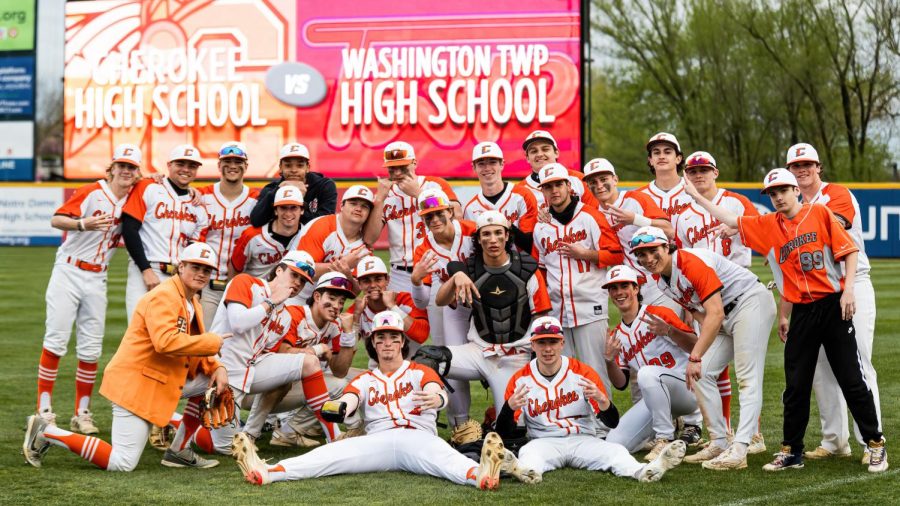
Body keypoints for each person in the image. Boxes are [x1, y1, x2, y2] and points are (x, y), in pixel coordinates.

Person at [685, 168, 888, 473]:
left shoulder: (819, 213)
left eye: (783, 190)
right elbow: (729, 219)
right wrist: (697, 196)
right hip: (803, 311)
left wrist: (848, 292)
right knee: (796, 385)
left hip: (832, 306)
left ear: (796, 190)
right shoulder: (769, 225)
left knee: (851, 378)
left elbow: (850, 250)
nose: (778, 197)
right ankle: (792, 451)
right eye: (773, 193)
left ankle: (875, 444)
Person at [230, 310, 525, 490]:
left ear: (401, 341)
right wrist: (341, 409)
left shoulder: (418, 370)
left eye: (393, 337)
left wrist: (436, 400)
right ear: (373, 343)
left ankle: (482, 474)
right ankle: (268, 472)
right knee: (329, 457)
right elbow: (349, 399)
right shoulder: (365, 379)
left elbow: (437, 393)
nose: (387, 343)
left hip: (418, 438)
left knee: (446, 461)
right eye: (381, 337)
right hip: (378, 441)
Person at [24, 243, 230, 471]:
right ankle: (47, 432)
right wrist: (212, 342)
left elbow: (192, 350)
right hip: (135, 385)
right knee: (122, 462)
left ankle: (179, 450)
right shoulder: (164, 296)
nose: (201, 274)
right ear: (180, 267)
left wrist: (217, 367)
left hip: (158, 380)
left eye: (206, 270)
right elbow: (165, 342)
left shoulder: (191, 301)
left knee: (214, 384)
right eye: (195, 267)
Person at [630, 225, 776, 471]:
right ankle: (719, 441)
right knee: (702, 373)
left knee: (747, 378)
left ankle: (740, 448)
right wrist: (704, 350)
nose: (647, 258)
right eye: (641, 254)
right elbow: (700, 313)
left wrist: (696, 354)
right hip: (725, 315)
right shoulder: (662, 280)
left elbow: (715, 311)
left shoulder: (689, 262)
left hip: (749, 302)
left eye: (652, 250)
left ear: (666, 246)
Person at [496, 316, 686, 482]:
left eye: (553, 342)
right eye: (542, 342)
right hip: (544, 441)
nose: (548, 349)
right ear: (533, 345)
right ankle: (527, 473)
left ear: (562, 343)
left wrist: (604, 403)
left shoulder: (583, 373)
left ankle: (644, 471)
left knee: (616, 451)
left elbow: (612, 422)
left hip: (583, 440)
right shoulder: (520, 379)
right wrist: (509, 408)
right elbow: (504, 432)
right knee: (528, 454)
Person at [33, 144, 141, 435]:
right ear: (112, 168)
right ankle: (43, 410)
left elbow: (157, 181)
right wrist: (82, 223)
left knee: (91, 348)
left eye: (131, 167)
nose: (126, 171)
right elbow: (56, 219)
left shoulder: (134, 196)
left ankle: (82, 412)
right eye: (122, 165)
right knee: (56, 340)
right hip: (69, 270)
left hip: (98, 277)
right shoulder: (92, 191)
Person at [785, 143, 882, 464]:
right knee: (821, 369)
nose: (802, 171)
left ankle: (872, 441)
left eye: (807, 165)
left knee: (858, 364)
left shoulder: (836, 194)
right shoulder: (789, 205)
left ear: (819, 167)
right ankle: (834, 439)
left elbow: (833, 228)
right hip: (818, 293)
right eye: (796, 166)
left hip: (852, 284)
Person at [673, 151, 764, 452]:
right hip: (707, 298)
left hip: (739, 293)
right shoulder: (683, 215)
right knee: (713, 368)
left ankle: (755, 435)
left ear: (716, 172)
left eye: (704, 170)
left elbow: (763, 229)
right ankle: (723, 432)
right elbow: (680, 260)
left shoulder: (735, 202)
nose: (699, 175)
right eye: (693, 171)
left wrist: (739, 225)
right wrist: (690, 310)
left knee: (745, 369)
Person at [208, 261, 352, 449]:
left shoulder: (284, 316)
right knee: (220, 445)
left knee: (336, 380)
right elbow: (238, 324)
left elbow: (339, 371)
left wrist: (349, 335)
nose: (336, 305)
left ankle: (284, 432)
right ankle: (173, 424)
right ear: (278, 270)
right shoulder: (249, 284)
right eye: (294, 275)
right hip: (221, 373)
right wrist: (317, 349)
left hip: (252, 377)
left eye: (303, 280)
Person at [432, 210, 552, 416]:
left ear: (507, 236)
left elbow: (542, 319)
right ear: (478, 239)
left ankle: (495, 420)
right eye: (486, 234)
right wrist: (456, 276)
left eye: (498, 233)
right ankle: (442, 426)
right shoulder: (470, 270)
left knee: (512, 430)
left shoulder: (528, 269)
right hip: (479, 352)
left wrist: (536, 359)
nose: (492, 240)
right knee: (427, 359)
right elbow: (441, 300)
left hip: (515, 355)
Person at [531, 163, 623, 392]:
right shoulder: (541, 227)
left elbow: (616, 254)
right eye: (548, 187)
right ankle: (573, 425)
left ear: (568, 186)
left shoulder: (590, 216)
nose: (554, 191)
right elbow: (540, 270)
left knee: (595, 369)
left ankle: (603, 428)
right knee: (564, 373)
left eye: (558, 185)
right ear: (542, 191)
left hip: (590, 307)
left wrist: (586, 254)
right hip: (557, 310)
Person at [601, 265, 699, 459]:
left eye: (624, 286)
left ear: (636, 289)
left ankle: (665, 438)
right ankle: (666, 432)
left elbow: (696, 346)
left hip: (688, 390)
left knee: (647, 373)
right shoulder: (617, 335)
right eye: (613, 288)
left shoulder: (658, 313)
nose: (619, 292)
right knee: (614, 444)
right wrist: (609, 361)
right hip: (656, 398)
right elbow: (621, 384)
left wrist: (670, 331)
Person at [409, 188, 477, 436]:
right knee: (451, 362)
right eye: (429, 217)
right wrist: (416, 280)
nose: (435, 220)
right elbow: (422, 302)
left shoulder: (473, 231)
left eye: (439, 213)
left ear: (450, 211)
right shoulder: (424, 249)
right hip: (453, 309)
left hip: (486, 305)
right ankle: (461, 425)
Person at [121, 144, 210, 321]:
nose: (186, 169)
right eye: (180, 164)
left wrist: (194, 287)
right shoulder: (148, 187)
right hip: (146, 270)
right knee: (139, 330)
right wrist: (146, 270)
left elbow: (194, 250)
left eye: (192, 165)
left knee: (171, 336)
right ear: (169, 165)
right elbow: (129, 230)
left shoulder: (198, 206)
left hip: (179, 276)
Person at [371, 141, 461, 293]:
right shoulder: (386, 194)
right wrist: (379, 200)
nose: (398, 172)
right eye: (393, 168)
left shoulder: (434, 185)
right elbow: (370, 238)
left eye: (402, 166)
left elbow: (456, 217)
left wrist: (420, 195)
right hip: (399, 274)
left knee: (436, 316)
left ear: (414, 163)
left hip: (435, 269)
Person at [197, 142, 259, 328]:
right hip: (208, 284)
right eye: (227, 161)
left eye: (238, 161)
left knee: (236, 341)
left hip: (241, 284)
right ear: (219, 165)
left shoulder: (256, 200)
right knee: (204, 339)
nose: (232, 165)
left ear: (246, 166)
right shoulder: (201, 195)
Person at [295, 184, 376, 298]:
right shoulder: (321, 226)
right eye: (353, 203)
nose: (358, 209)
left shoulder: (364, 249)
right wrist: (343, 264)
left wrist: (346, 272)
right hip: (296, 295)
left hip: (329, 303)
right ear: (341, 206)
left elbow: (355, 293)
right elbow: (302, 271)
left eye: (365, 206)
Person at [462, 141, 538, 251]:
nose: (487, 168)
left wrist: (506, 225)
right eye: (481, 164)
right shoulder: (470, 208)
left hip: (522, 264)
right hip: (489, 266)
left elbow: (530, 245)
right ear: (474, 167)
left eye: (492, 162)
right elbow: (475, 248)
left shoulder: (523, 196)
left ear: (502, 164)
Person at [249, 142, 336, 228]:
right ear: (280, 168)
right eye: (288, 165)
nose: (294, 170)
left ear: (308, 167)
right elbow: (256, 221)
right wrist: (277, 192)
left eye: (300, 165)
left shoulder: (324, 186)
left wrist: (299, 202)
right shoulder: (271, 189)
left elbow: (325, 225)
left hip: (312, 240)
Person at [514, 130, 598, 210]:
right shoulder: (519, 191)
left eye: (545, 149)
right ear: (527, 158)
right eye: (534, 151)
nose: (539, 154)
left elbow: (594, 215)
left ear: (556, 153)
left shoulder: (579, 179)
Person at [231, 186, 303, 277]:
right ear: (276, 210)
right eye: (283, 208)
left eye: (294, 208)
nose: (288, 213)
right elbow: (236, 268)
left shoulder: (308, 234)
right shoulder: (251, 235)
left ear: (302, 210)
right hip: (255, 288)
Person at [638, 132, 693, 219]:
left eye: (667, 152)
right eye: (656, 153)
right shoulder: (639, 196)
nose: (661, 156)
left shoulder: (695, 191)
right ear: (650, 160)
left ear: (678, 159)